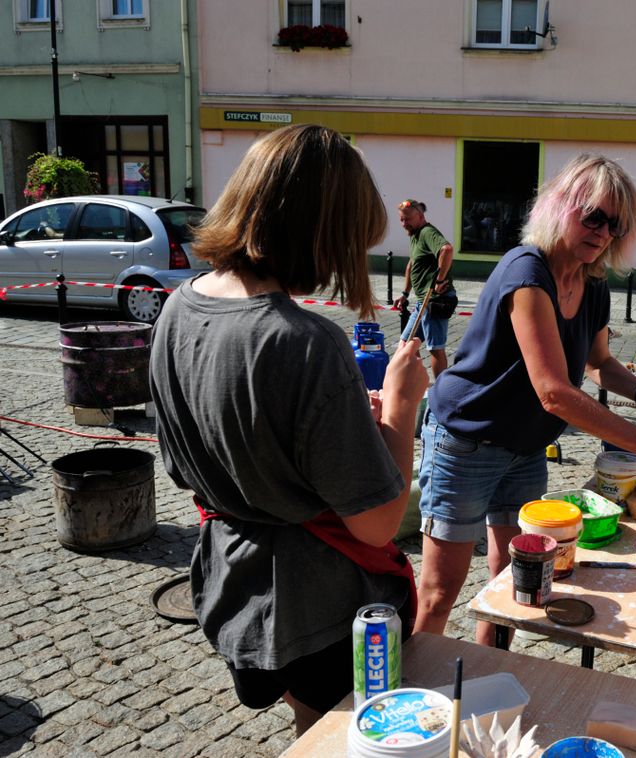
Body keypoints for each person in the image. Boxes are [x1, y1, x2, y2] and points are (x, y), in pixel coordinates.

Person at [148, 125, 429, 736]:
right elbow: (379, 522)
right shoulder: (305, 341)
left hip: (231, 581)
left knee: (305, 725)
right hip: (319, 607)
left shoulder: (177, 307)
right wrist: (402, 409)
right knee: (338, 736)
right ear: (321, 234)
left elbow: (188, 459)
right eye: (349, 242)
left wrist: (343, 422)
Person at [413, 154, 636, 646]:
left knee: (513, 583)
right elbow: (554, 392)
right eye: (593, 215)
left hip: (523, 451)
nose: (603, 232)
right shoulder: (527, 270)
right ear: (560, 206)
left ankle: (486, 676)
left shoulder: (593, 281)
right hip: (465, 442)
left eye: (615, 224)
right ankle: (406, 705)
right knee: (439, 592)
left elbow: (599, 363)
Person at [393, 199, 456, 378]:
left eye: (408, 219)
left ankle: (440, 392)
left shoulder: (428, 232)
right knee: (406, 344)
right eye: (402, 220)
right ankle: (418, 382)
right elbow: (411, 265)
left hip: (435, 300)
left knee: (435, 348)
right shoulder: (415, 235)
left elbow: (447, 250)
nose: (404, 224)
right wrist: (405, 293)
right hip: (423, 302)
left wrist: (439, 280)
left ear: (420, 216)